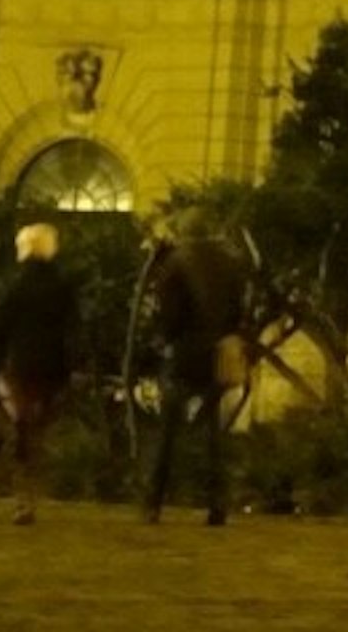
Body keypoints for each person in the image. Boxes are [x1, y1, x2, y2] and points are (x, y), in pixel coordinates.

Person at [137, 224, 247, 525]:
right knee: (212, 432)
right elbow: (239, 309)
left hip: (184, 353)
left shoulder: (175, 263)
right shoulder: (231, 261)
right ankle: (217, 503)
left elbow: (168, 314)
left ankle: (153, 501)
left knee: (168, 429)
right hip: (218, 352)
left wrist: (165, 340)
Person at [0, 221, 82, 524]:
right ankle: (31, 492)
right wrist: (75, 365)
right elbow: (73, 329)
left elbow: (0, 330)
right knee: (39, 428)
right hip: (54, 367)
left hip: (19, 366)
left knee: (23, 427)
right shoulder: (63, 286)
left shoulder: (15, 285)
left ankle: (23, 498)